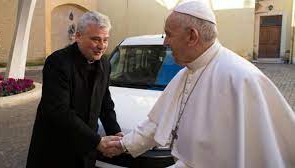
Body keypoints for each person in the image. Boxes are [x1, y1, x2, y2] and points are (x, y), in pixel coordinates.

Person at [109, 0, 295, 167]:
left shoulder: (241, 78)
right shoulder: (185, 73)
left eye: (169, 34)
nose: (165, 42)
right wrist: (124, 144)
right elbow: (156, 123)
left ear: (192, 36)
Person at [26, 11, 123, 168]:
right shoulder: (57, 62)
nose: (102, 46)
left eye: (105, 40)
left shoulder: (105, 63)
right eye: (95, 39)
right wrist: (97, 141)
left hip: (86, 149)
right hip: (56, 149)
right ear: (78, 36)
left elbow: (105, 102)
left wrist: (115, 132)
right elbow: (59, 111)